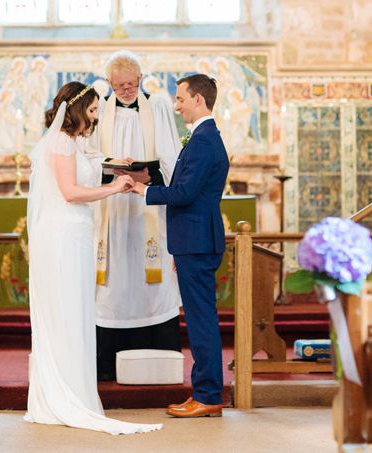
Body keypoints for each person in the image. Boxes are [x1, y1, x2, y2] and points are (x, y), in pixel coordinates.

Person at [25, 81, 162, 435]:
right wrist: (115, 187)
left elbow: (90, 162)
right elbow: (70, 192)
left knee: (78, 312)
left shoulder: (74, 143)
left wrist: (118, 165)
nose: (96, 116)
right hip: (62, 237)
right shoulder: (58, 142)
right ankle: (62, 394)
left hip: (77, 236)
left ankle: (77, 393)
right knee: (66, 311)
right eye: (92, 110)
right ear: (76, 110)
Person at [132, 74, 229, 418]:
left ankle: (208, 396)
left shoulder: (203, 140)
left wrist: (143, 191)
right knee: (201, 319)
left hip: (197, 241)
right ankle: (203, 392)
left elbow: (185, 194)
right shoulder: (203, 137)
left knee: (202, 321)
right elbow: (187, 186)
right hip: (193, 241)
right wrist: (151, 179)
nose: (176, 105)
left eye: (180, 99)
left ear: (199, 100)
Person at [89, 50, 182, 381]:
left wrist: (148, 176)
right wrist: (110, 170)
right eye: (119, 85)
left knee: (149, 283)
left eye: (131, 84)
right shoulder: (99, 111)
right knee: (113, 281)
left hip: (148, 208)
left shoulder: (156, 108)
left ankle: (157, 360)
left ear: (140, 80)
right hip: (111, 209)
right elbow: (88, 159)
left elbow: (171, 158)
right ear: (109, 83)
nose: (126, 90)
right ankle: (105, 365)